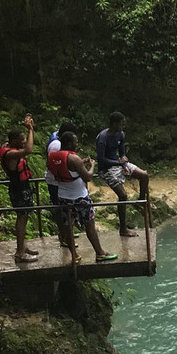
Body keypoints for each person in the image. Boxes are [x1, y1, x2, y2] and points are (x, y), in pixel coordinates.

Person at [47, 131, 118, 262]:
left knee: (68, 226)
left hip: (63, 196)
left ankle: (74, 255)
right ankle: (100, 253)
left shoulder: (52, 156)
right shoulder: (74, 158)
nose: (77, 144)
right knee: (89, 224)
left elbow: (64, 169)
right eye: (75, 142)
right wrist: (92, 166)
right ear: (69, 143)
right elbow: (88, 177)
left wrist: (80, 164)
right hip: (80, 197)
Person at [96, 112, 151, 238]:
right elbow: (101, 159)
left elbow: (122, 153)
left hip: (119, 164)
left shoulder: (121, 134)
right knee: (123, 195)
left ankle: (140, 201)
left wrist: (125, 165)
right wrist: (118, 162)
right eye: (121, 123)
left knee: (144, 175)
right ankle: (123, 228)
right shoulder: (103, 138)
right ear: (114, 124)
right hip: (106, 168)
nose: (123, 125)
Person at [0, 115, 38, 263]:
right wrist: (30, 129)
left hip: (23, 187)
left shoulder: (9, 146)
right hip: (18, 188)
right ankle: (20, 253)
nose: (24, 141)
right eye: (21, 139)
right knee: (21, 218)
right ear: (14, 141)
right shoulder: (11, 154)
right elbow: (29, 149)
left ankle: (23, 246)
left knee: (24, 217)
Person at [45, 121, 78, 246]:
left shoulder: (56, 137)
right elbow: (56, 163)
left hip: (58, 180)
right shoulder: (56, 145)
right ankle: (64, 236)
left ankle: (66, 233)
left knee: (64, 209)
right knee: (60, 209)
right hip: (55, 181)